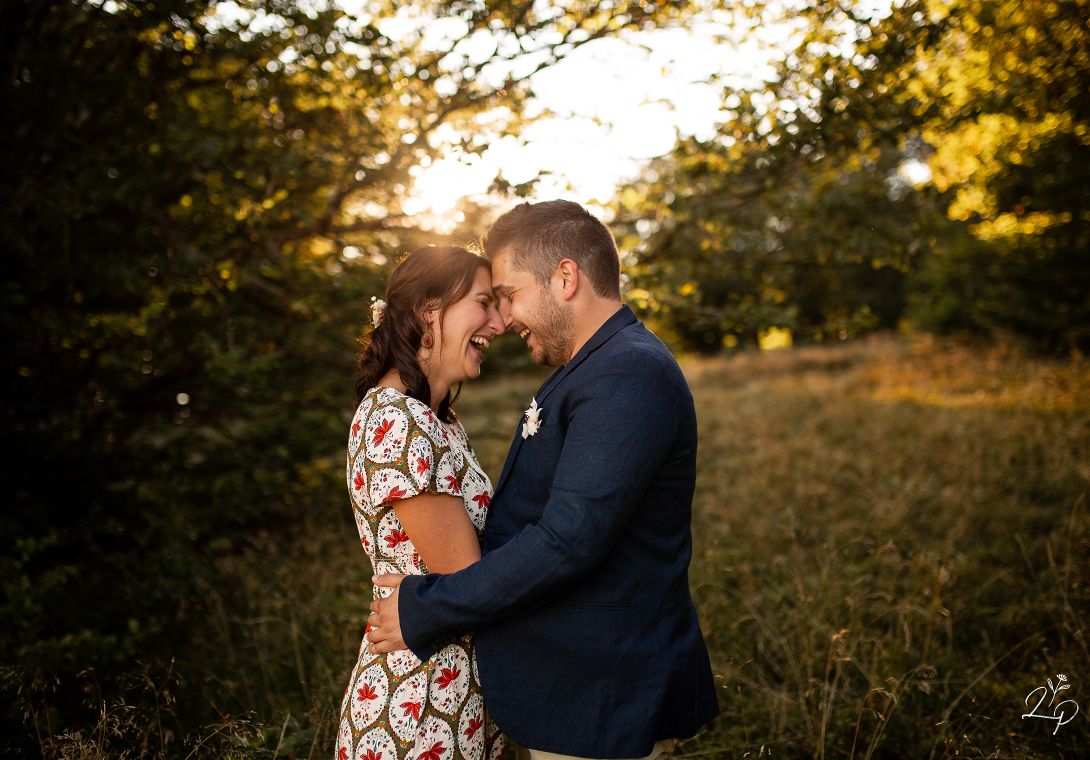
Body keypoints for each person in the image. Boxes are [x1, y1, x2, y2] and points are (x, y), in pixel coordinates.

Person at [366, 201, 719, 759]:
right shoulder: (593, 367)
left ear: (565, 277)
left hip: (603, 694)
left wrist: (426, 606)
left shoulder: (626, 370)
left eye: (507, 295)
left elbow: (568, 538)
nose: (503, 321)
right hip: (573, 687)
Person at [335, 246, 507, 760]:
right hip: (421, 702)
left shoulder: (436, 420)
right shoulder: (397, 420)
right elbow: (469, 582)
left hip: (457, 687)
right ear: (429, 310)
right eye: (484, 303)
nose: (498, 323)